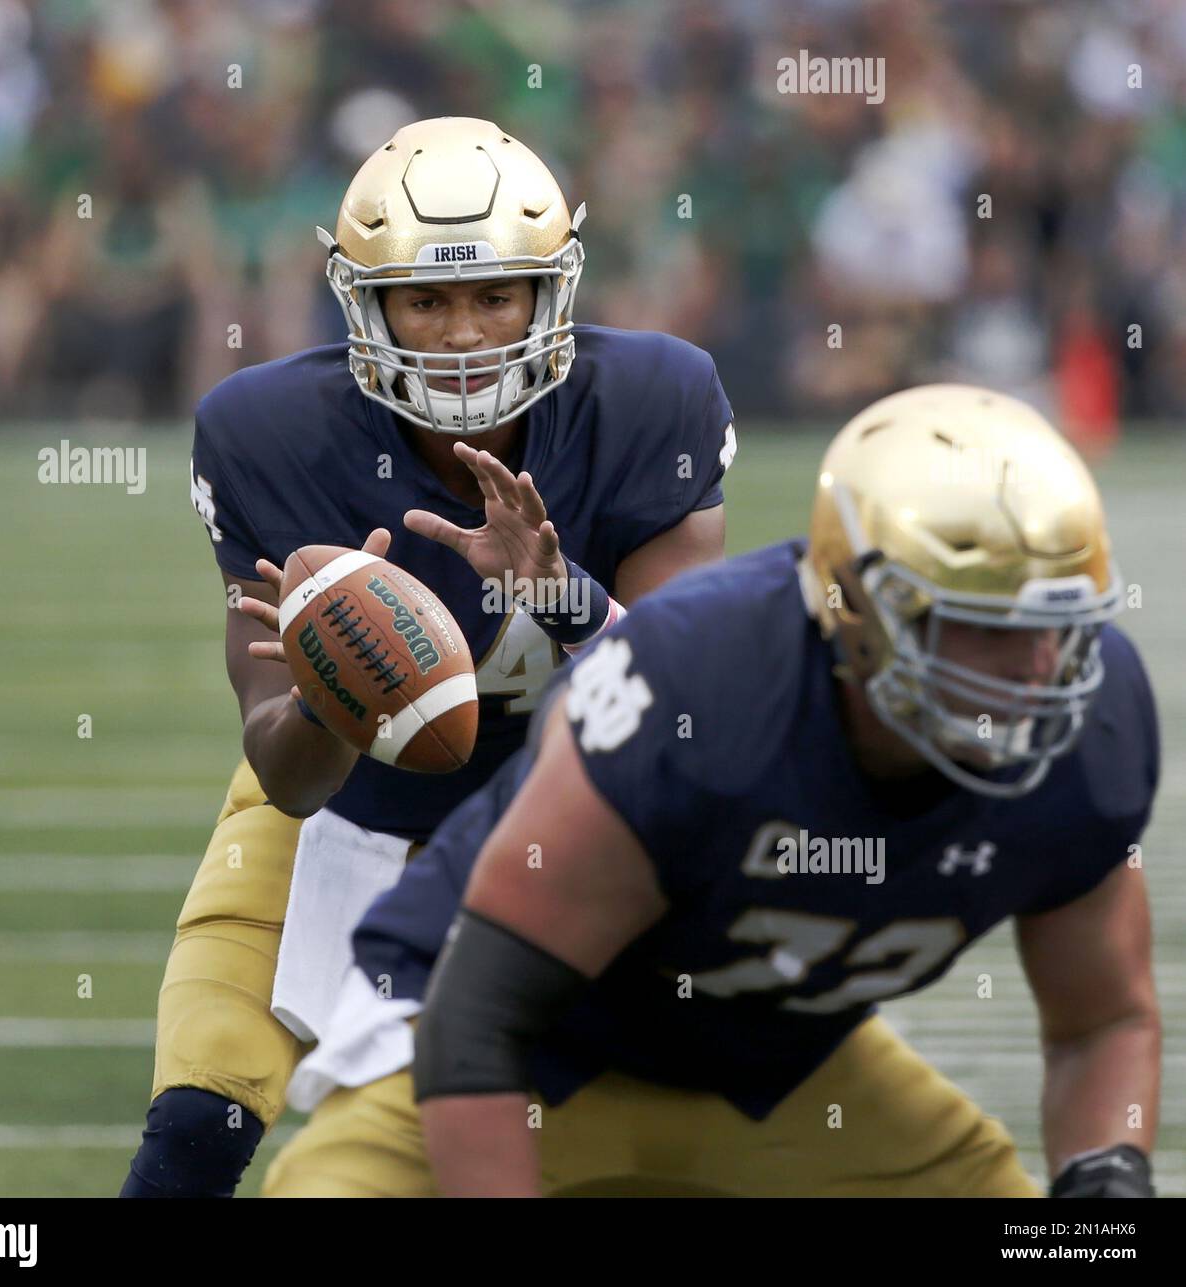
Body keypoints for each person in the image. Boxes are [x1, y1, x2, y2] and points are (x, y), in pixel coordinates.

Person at [263, 384, 1159, 1199]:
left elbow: (1102, 1021)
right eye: (984, 625)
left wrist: (1108, 1184)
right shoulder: (702, 685)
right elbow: (480, 1016)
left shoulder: (1090, 725)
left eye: (1057, 626)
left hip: (772, 1065)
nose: (1039, 672)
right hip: (524, 1048)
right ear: (860, 613)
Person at [120, 116, 736, 1197]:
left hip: (574, 824)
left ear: (550, 295)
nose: (460, 334)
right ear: (368, 302)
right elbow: (284, 773)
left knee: (628, 1151)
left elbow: (680, 729)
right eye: (427, 300)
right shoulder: (268, 433)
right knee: (191, 1137)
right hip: (345, 817)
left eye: (494, 295)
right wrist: (336, 684)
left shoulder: (651, 404)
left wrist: (557, 594)